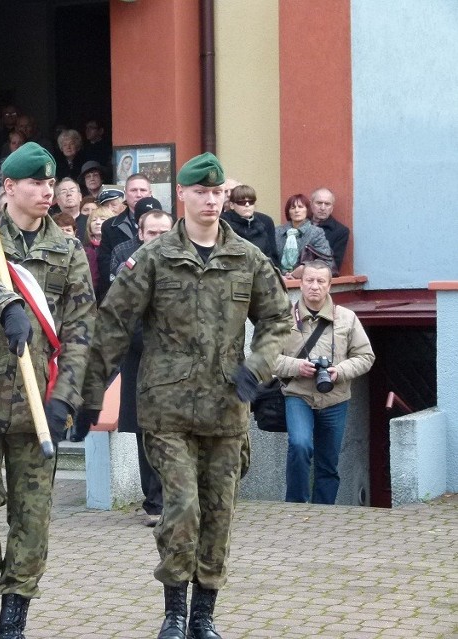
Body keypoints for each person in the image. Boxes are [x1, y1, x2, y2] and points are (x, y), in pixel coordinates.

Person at [78, 153, 291, 639]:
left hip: (226, 410)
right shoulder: (152, 258)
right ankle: (174, 612)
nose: (212, 200)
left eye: (218, 192)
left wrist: (257, 367)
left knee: (218, 515)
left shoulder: (247, 258)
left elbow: (280, 320)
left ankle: (204, 616)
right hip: (167, 410)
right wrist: (88, 396)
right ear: (183, 195)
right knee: (181, 511)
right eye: (202, 192)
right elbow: (112, 325)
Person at [0, 142, 95, 639]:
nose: (45, 190)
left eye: (51, 182)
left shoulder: (68, 250)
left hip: (40, 407)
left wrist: (65, 399)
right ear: (7, 188)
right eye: (35, 182)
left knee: (32, 519)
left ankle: (14, 619)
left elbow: (79, 331)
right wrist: (8, 305)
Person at [274, 260, 374, 504]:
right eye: (309, 280)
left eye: (320, 281)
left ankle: (324, 513)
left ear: (329, 285)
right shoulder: (283, 318)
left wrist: (339, 371)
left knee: (328, 462)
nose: (314, 287)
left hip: (335, 398)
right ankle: (295, 507)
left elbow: (366, 356)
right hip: (298, 395)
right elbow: (265, 358)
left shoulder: (347, 318)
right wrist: (296, 366)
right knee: (299, 446)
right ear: (300, 283)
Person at [107, 209, 174, 527]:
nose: (159, 239)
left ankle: (182, 499)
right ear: (140, 235)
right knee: (147, 435)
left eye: (166, 232)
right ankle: (155, 503)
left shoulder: (189, 267)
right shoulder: (128, 270)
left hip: (182, 369)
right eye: (153, 233)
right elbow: (122, 320)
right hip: (142, 363)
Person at [96, 173, 153, 300]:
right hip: (122, 294)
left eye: (143, 190)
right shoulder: (110, 226)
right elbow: (105, 264)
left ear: (150, 193)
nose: (138, 194)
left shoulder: (168, 223)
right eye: (133, 190)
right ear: (126, 194)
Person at [275, 193, 334, 279]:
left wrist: (304, 269)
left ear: (307, 210)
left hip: (305, 280)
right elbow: (270, 258)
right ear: (288, 211)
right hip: (279, 280)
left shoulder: (316, 232)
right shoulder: (277, 232)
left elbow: (325, 260)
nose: (296, 210)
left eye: (300, 207)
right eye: (293, 207)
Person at [220, 184, 279, 267]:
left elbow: (272, 257)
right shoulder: (222, 223)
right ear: (232, 205)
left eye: (251, 202)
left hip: (262, 273)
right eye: (242, 202)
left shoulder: (264, 223)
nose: (247, 205)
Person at [310, 187, 350, 271]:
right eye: (319, 203)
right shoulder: (302, 225)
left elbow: (334, 265)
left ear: (332, 208)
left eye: (327, 204)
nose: (323, 208)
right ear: (311, 204)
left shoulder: (341, 231)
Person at [83, 205, 114, 302]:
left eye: (103, 219)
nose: (97, 222)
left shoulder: (116, 248)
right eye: (94, 220)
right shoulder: (83, 249)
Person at [0, 130, 27, 197]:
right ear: (9, 145)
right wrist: (4, 195)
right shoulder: (1, 163)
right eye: (14, 143)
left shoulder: (30, 163)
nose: (17, 146)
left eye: (20, 143)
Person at [52, 177, 87, 242]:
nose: (69, 194)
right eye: (64, 192)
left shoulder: (89, 222)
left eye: (72, 190)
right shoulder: (51, 224)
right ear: (57, 200)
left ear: (80, 197)